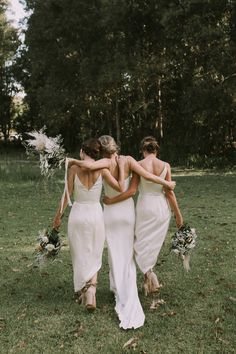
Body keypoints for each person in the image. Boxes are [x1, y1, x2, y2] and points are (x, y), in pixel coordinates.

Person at [69, 135, 175, 329]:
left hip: (110, 212)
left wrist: (71, 160)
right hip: (127, 211)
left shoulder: (103, 163)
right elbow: (146, 177)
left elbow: (88, 167)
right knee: (126, 253)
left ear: (101, 149)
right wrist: (166, 184)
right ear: (116, 147)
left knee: (113, 252)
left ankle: (114, 287)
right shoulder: (128, 160)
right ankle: (126, 287)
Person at [103, 136, 183, 296]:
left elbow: (131, 191)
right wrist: (178, 215)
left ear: (142, 150)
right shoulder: (166, 165)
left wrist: (111, 200)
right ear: (156, 149)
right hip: (161, 208)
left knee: (139, 243)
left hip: (144, 206)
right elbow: (169, 193)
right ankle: (149, 276)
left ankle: (149, 275)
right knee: (151, 243)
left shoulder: (139, 165)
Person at [53, 138, 122, 311]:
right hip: (96, 215)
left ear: (83, 152)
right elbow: (119, 187)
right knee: (94, 251)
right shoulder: (103, 169)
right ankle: (91, 290)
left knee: (79, 252)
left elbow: (67, 195)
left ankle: (86, 289)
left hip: (78, 214)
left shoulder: (75, 168)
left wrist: (58, 217)